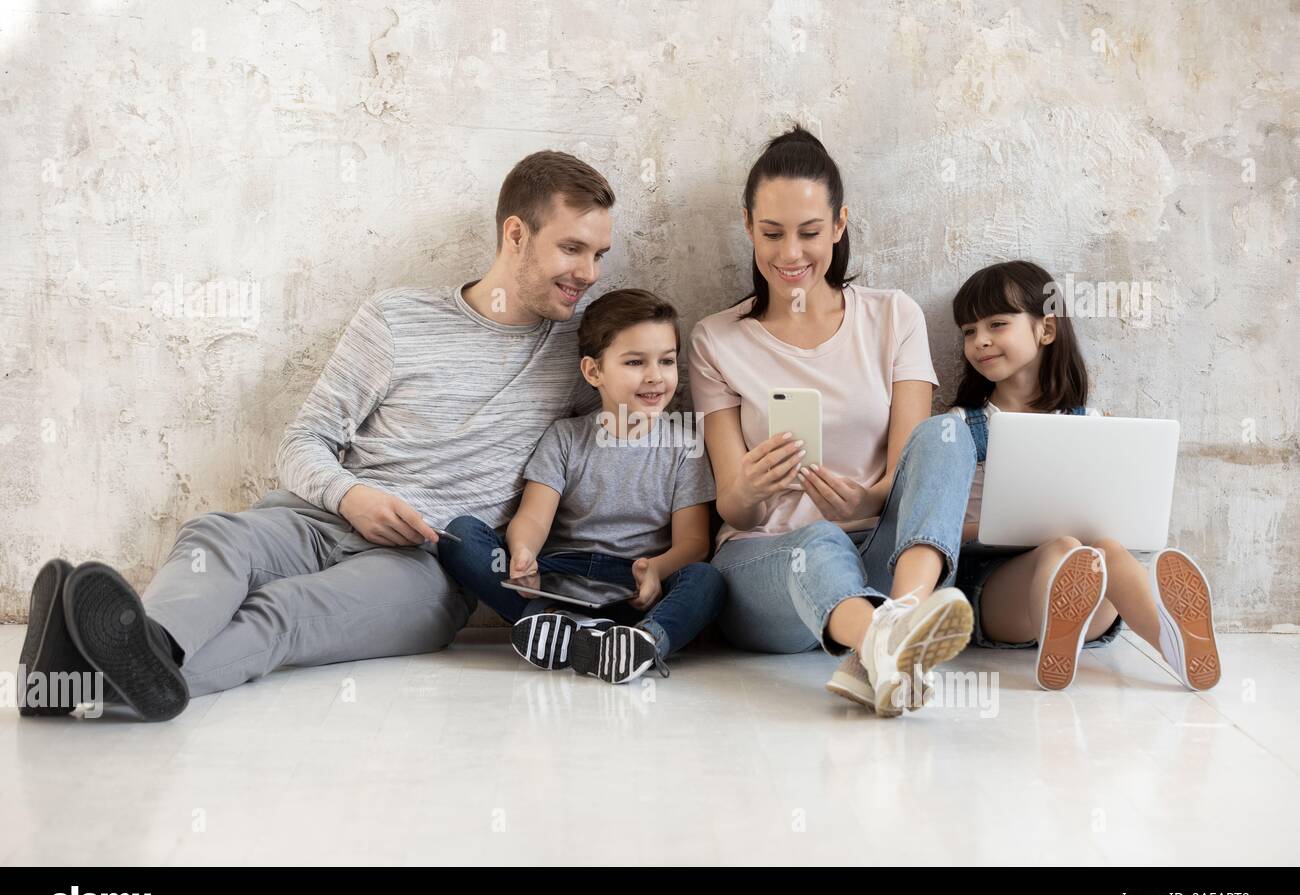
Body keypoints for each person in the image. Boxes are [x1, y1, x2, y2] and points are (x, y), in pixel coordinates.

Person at [21, 150, 616, 720]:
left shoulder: (581, 357)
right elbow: (303, 440)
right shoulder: (397, 317)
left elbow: (637, 418)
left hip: (427, 568)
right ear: (515, 234)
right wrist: (351, 496)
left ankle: (79, 678)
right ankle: (134, 656)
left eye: (598, 255)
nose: (587, 274)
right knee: (216, 536)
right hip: (317, 520)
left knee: (282, 613)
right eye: (571, 249)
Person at [688, 127, 976, 718]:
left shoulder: (893, 315)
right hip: (769, 564)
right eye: (771, 233)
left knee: (949, 432)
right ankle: (888, 643)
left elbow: (909, 468)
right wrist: (751, 488)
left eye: (810, 232)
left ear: (839, 224)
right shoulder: (715, 339)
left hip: (875, 553)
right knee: (817, 540)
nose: (790, 254)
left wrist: (864, 499)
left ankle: (900, 617)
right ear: (747, 226)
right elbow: (731, 509)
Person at [947, 259, 1221, 691]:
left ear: (1047, 330)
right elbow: (937, 527)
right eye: (968, 331)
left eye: (997, 324)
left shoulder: (1092, 423)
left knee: (1104, 547)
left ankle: (1177, 649)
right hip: (995, 596)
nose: (979, 340)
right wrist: (997, 528)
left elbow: (1117, 513)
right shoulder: (961, 426)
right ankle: (1055, 634)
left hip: (1094, 599)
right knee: (1061, 546)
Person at [438, 289, 725, 684]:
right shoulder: (566, 438)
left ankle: (641, 641)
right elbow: (533, 518)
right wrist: (524, 554)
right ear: (593, 372)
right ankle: (554, 623)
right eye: (635, 362)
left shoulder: (684, 445)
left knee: (707, 580)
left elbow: (693, 543)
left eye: (667, 361)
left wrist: (655, 570)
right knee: (461, 536)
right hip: (559, 580)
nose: (656, 376)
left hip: (636, 587)